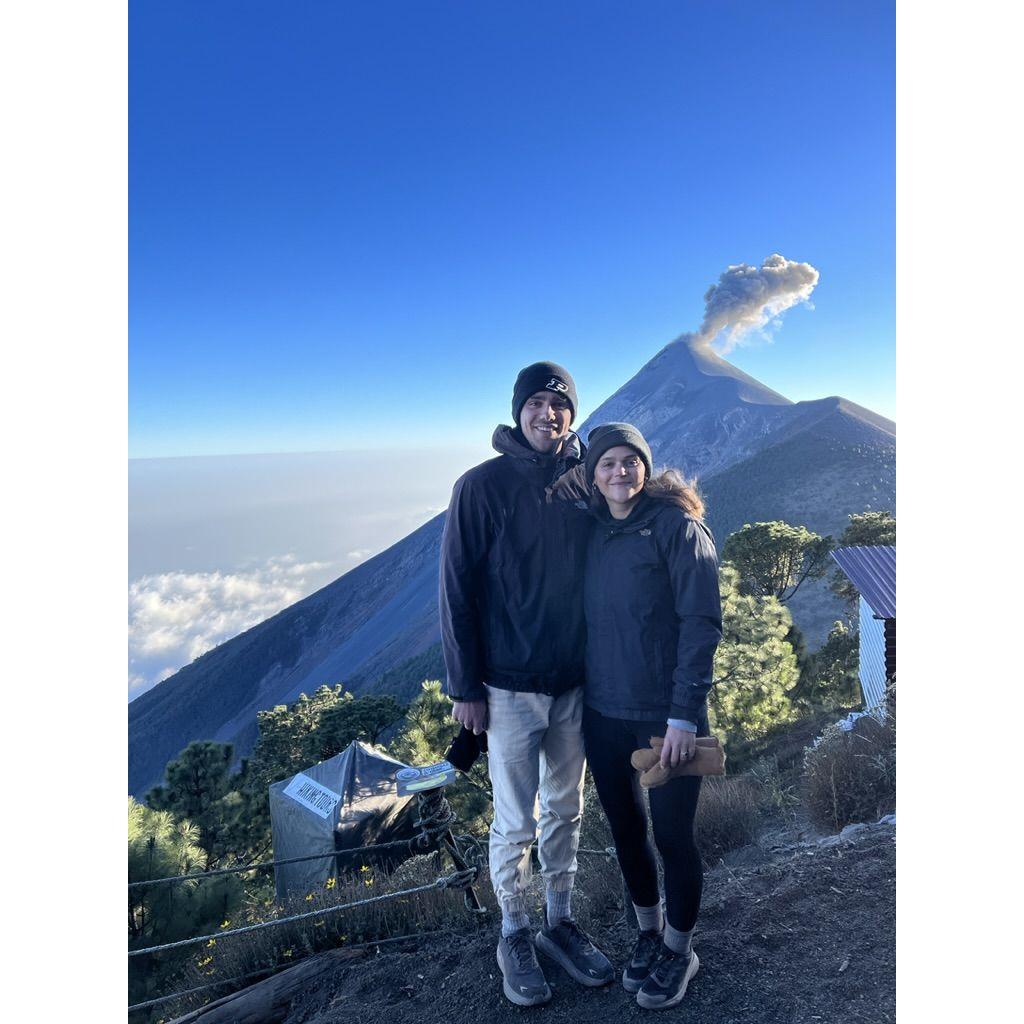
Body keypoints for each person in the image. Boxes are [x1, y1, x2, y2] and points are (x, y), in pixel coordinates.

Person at [439, 362, 614, 1007]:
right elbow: (456, 589)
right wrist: (465, 688)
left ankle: (558, 922)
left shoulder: (586, 480)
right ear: (518, 411)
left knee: (565, 809)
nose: (548, 413)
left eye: (559, 404)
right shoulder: (480, 487)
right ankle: (514, 931)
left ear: (572, 413)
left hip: (573, 683)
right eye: (536, 402)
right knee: (516, 820)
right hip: (508, 688)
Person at [580, 422, 722, 1011]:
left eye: (630, 461)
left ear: (645, 466)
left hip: (666, 717)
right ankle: (648, 933)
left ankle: (680, 949)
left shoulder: (676, 528)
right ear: (593, 475)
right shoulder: (591, 531)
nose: (621, 471)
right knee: (625, 830)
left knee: (671, 835)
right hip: (602, 713)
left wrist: (684, 716)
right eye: (608, 463)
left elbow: (702, 623)